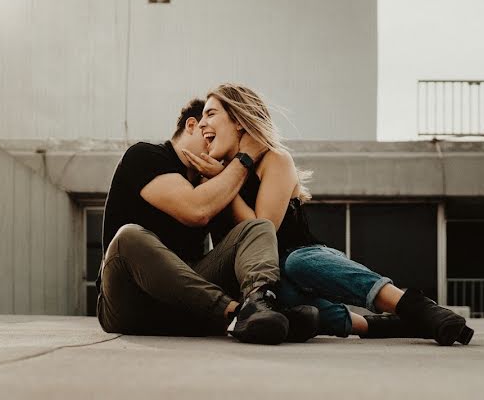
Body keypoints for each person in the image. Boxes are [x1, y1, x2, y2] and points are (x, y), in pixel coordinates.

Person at [182, 83, 474, 346]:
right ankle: (394, 325)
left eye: (210, 114)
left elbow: (263, 232)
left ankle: (418, 308)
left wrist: (225, 181)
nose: (203, 123)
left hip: (305, 262)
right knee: (286, 294)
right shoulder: (210, 173)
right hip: (266, 286)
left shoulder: (275, 159)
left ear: (239, 121)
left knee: (294, 263)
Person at [97, 98, 318, 345]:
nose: (217, 146)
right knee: (129, 237)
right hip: (128, 302)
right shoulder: (145, 155)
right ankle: (236, 313)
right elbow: (195, 209)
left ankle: (261, 303)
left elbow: (249, 234)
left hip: (184, 304)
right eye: (209, 135)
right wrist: (245, 157)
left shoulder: (212, 184)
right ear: (192, 125)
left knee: (257, 227)